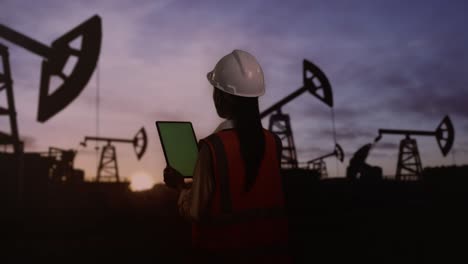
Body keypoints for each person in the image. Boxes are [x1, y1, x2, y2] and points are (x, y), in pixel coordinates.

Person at [164, 50, 291, 263]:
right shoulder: (273, 143)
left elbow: (195, 212)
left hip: (225, 254)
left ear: (223, 97)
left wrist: (180, 186)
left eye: (216, 91)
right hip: (273, 254)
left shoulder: (213, 147)